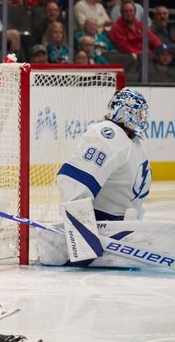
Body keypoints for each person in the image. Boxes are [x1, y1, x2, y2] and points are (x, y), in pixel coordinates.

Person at [40, 89, 153, 267]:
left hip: (122, 232)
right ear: (124, 112)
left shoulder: (134, 142)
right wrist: (82, 238)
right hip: (102, 232)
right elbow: (74, 180)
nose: (142, 119)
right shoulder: (108, 134)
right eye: (137, 113)